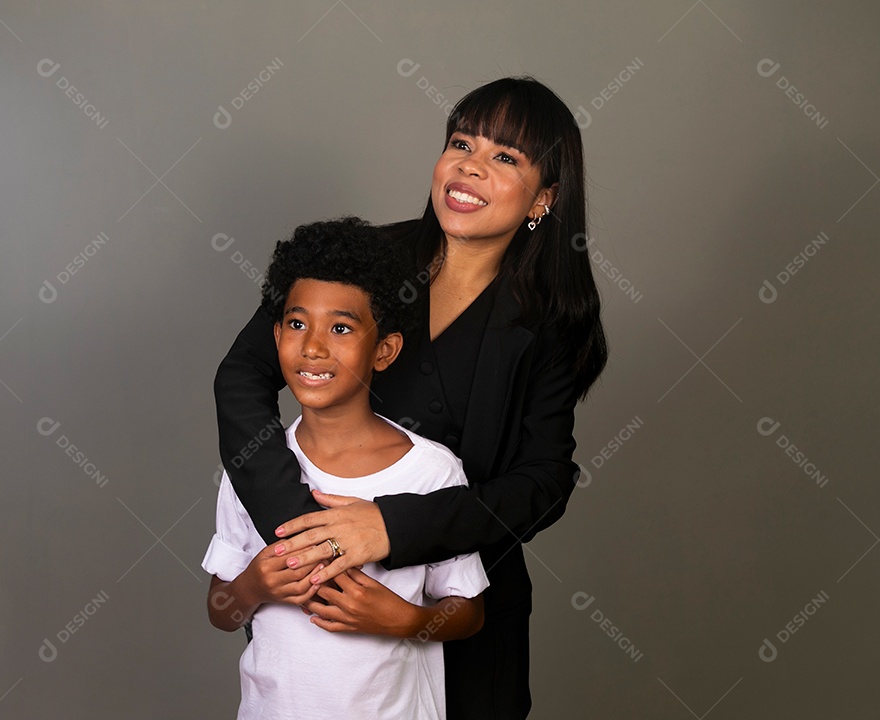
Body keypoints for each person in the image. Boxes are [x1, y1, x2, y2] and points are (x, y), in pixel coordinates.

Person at [214, 76, 608, 718]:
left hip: (465, 615)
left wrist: (387, 530)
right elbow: (240, 379)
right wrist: (303, 537)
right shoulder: (364, 259)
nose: (469, 166)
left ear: (544, 196)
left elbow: (545, 480)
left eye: (504, 157)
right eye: (460, 142)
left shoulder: (553, 320)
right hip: (320, 622)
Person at [203, 217, 490, 720]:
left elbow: (468, 613)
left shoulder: (431, 472)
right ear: (275, 336)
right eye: (297, 324)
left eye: (340, 327)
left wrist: (405, 620)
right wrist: (256, 586)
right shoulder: (251, 467)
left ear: (384, 350)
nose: (313, 346)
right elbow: (221, 611)